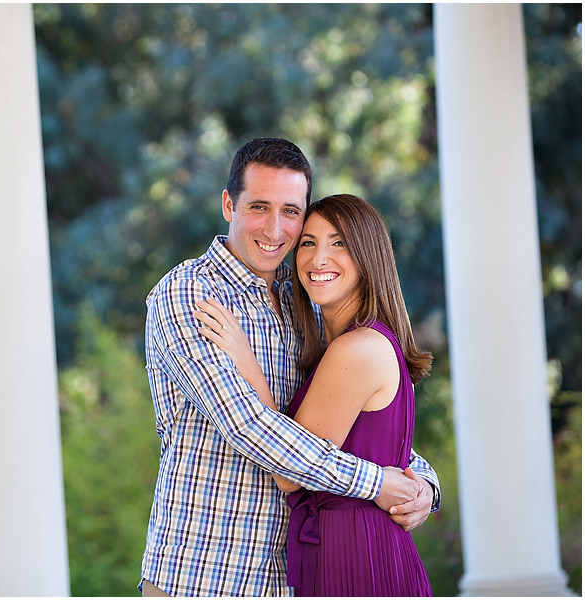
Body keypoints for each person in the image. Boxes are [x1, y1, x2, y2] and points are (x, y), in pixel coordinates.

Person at [139, 137, 439, 597]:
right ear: (228, 204)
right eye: (259, 206)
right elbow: (249, 426)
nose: (275, 228)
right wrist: (377, 482)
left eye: (291, 211)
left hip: (298, 574)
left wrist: (423, 486)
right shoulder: (191, 295)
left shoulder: (310, 302)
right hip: (207, 571)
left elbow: (343, 426)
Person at [195, 193, 433, 596]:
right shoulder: (364, 342)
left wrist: (244, 359)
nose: (318, 258)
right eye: (308, 242)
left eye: (338, 243)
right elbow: (377, 451)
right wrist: (425, 484)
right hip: (358, 545)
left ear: (368, 256)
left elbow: (289, 473)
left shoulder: (356, 348)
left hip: (355, 555)